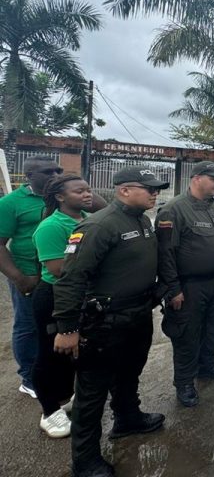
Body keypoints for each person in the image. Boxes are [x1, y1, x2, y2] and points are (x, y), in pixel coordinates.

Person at [53, 166, 167, 477]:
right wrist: (68, 328)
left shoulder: (142, 220)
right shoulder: (99, 226)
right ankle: (85, 460)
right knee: (92, 392)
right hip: (104, 322)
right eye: (149, 188)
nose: (155, 193)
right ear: (124, 190)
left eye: (157, 188)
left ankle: (127, 418)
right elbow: (71, 279)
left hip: (137, 315)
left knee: (130, 372)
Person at [156, 161, 214, 407]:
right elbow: (165, 254)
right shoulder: (174, 210)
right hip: (189, 286)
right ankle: (185, 382)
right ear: (197, 178)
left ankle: (206, 364)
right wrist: (173, 289)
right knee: (187, 336)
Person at [0, 158, 71, 398]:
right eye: (48, 171)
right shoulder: (11, 203)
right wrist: (18, 278)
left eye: (58, 170)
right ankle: (29, 378)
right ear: (29, 174)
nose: (55, 174)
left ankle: (58, 374)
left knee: (58, 324)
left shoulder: (64, 195)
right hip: (29, 274)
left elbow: (98, 206)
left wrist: (72, 185)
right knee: (28, 325)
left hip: (60, 273)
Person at [31, 174, 92, 438]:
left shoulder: (88, 221)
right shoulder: (51, 226)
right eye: (79, 191)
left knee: (77, 353)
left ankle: (68, 398)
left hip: (82, 294)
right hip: (55, 296)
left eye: (88, 189)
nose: (87, 194)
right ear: (60, 196)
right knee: (50, 354)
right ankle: (49, 411)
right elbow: (57, 269)